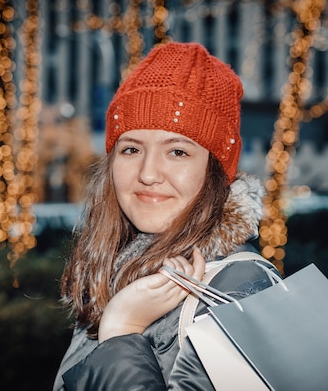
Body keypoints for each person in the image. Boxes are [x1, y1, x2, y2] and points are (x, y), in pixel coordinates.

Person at [53, 41, 280, 391]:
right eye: (131, 149)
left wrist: (121, 331)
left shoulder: (240, 288)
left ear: (215, 171)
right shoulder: (112, 270)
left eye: (177, 151)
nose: (148, 173)